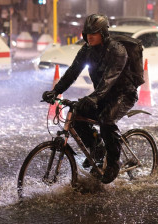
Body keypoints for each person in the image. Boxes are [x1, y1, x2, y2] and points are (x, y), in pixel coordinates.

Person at [42, 14, 138, 184]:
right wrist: (55, 91)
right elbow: (72, 72)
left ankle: (114, 163)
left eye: (94, 33)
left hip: (123, 94)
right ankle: (97, 149)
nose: (89, 37)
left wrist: (93, 98)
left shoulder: (117, 51)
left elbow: (109, 79)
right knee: (76, 114)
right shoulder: (87, 49)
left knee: (106, 120)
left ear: (104, 33)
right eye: (87, 33)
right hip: (102, 94)